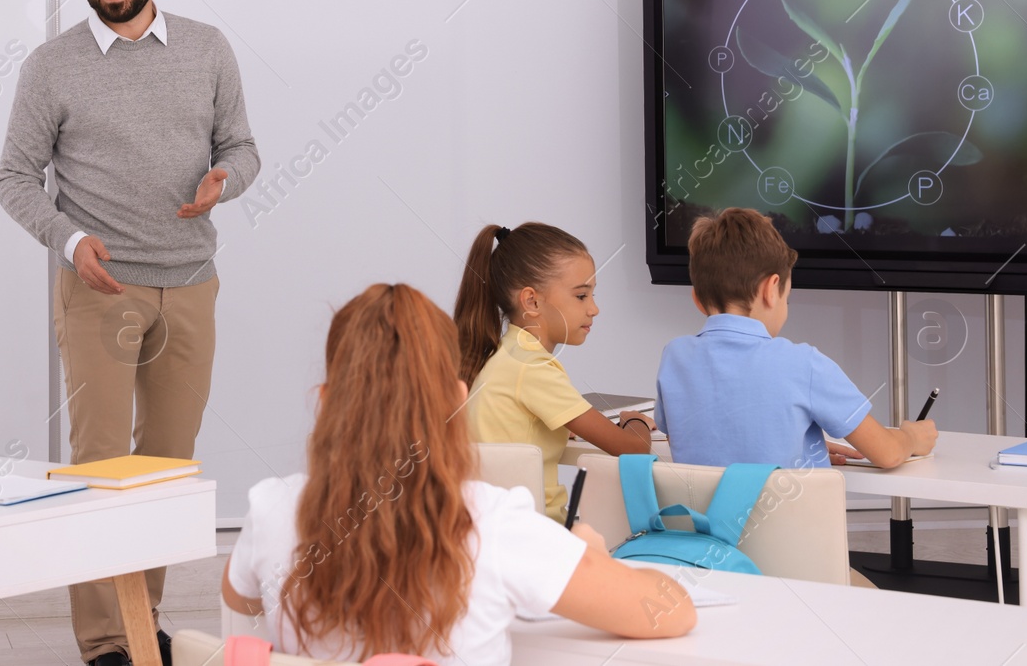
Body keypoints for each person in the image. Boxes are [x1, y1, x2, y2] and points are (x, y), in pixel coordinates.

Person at [0, 0, 260, 666]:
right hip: (100, 289)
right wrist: (70, 239)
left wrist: (225, 179)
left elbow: (243, 147)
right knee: (103, 467)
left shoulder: (208, 49)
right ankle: (108, 642)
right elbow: (13, 177)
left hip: (192, 280)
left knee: (167, 466)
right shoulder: (52, 65)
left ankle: (141, 617)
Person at [223, 284, 695, 666]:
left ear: (327, 400)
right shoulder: (494, 521)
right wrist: (591, 558)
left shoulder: (272, 507)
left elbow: (242, 600)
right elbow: (672, 612)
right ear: (455, 399)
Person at [656, 207, 938, 469]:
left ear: (697, 299)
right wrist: (910, 437)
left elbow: (689, 443)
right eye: (787, 299)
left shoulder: (675, 357)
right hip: (786, 524)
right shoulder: (804, 363)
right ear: (771, 289)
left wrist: (796, 446)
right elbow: (887, 453)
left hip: (701, 522)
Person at [453, 223, 653, 521]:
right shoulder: (532, 368)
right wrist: (637, 421)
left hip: (499, 530)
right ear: (532, 301)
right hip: (538, 533)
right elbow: (634, 450)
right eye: (582, 296)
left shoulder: (503, 354)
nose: (594, 308)